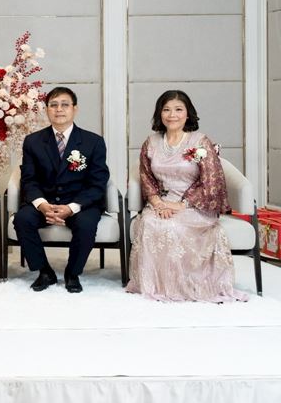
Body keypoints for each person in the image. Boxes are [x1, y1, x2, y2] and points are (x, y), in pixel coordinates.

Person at [125, 90, 248, 302]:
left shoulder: (200, 141)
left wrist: (181, 205)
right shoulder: (151, 142)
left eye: (178, 109)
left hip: (194, 205)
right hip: (160, 203)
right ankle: (159, 286)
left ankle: (186, 285)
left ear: (188, 113)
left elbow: (212, 180)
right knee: (151, 223)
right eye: (166, 110)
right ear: (159, 114)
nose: (172, 115)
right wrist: (158, 203)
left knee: (173, 226)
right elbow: (145, 177)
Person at [13, 86, 109, 293]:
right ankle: (44, 271)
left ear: (75, 109)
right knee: (22, 219)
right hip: (45, 201)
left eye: (65, 105)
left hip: (79, 203)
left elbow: (98, 183)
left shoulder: (93, 142)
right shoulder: (33, 141)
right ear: (46, 109)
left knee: (86, 224)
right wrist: (42, 205)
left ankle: (72, 273)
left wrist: (72, 207)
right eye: (53, 105)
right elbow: (29, 179)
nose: (59, 109)